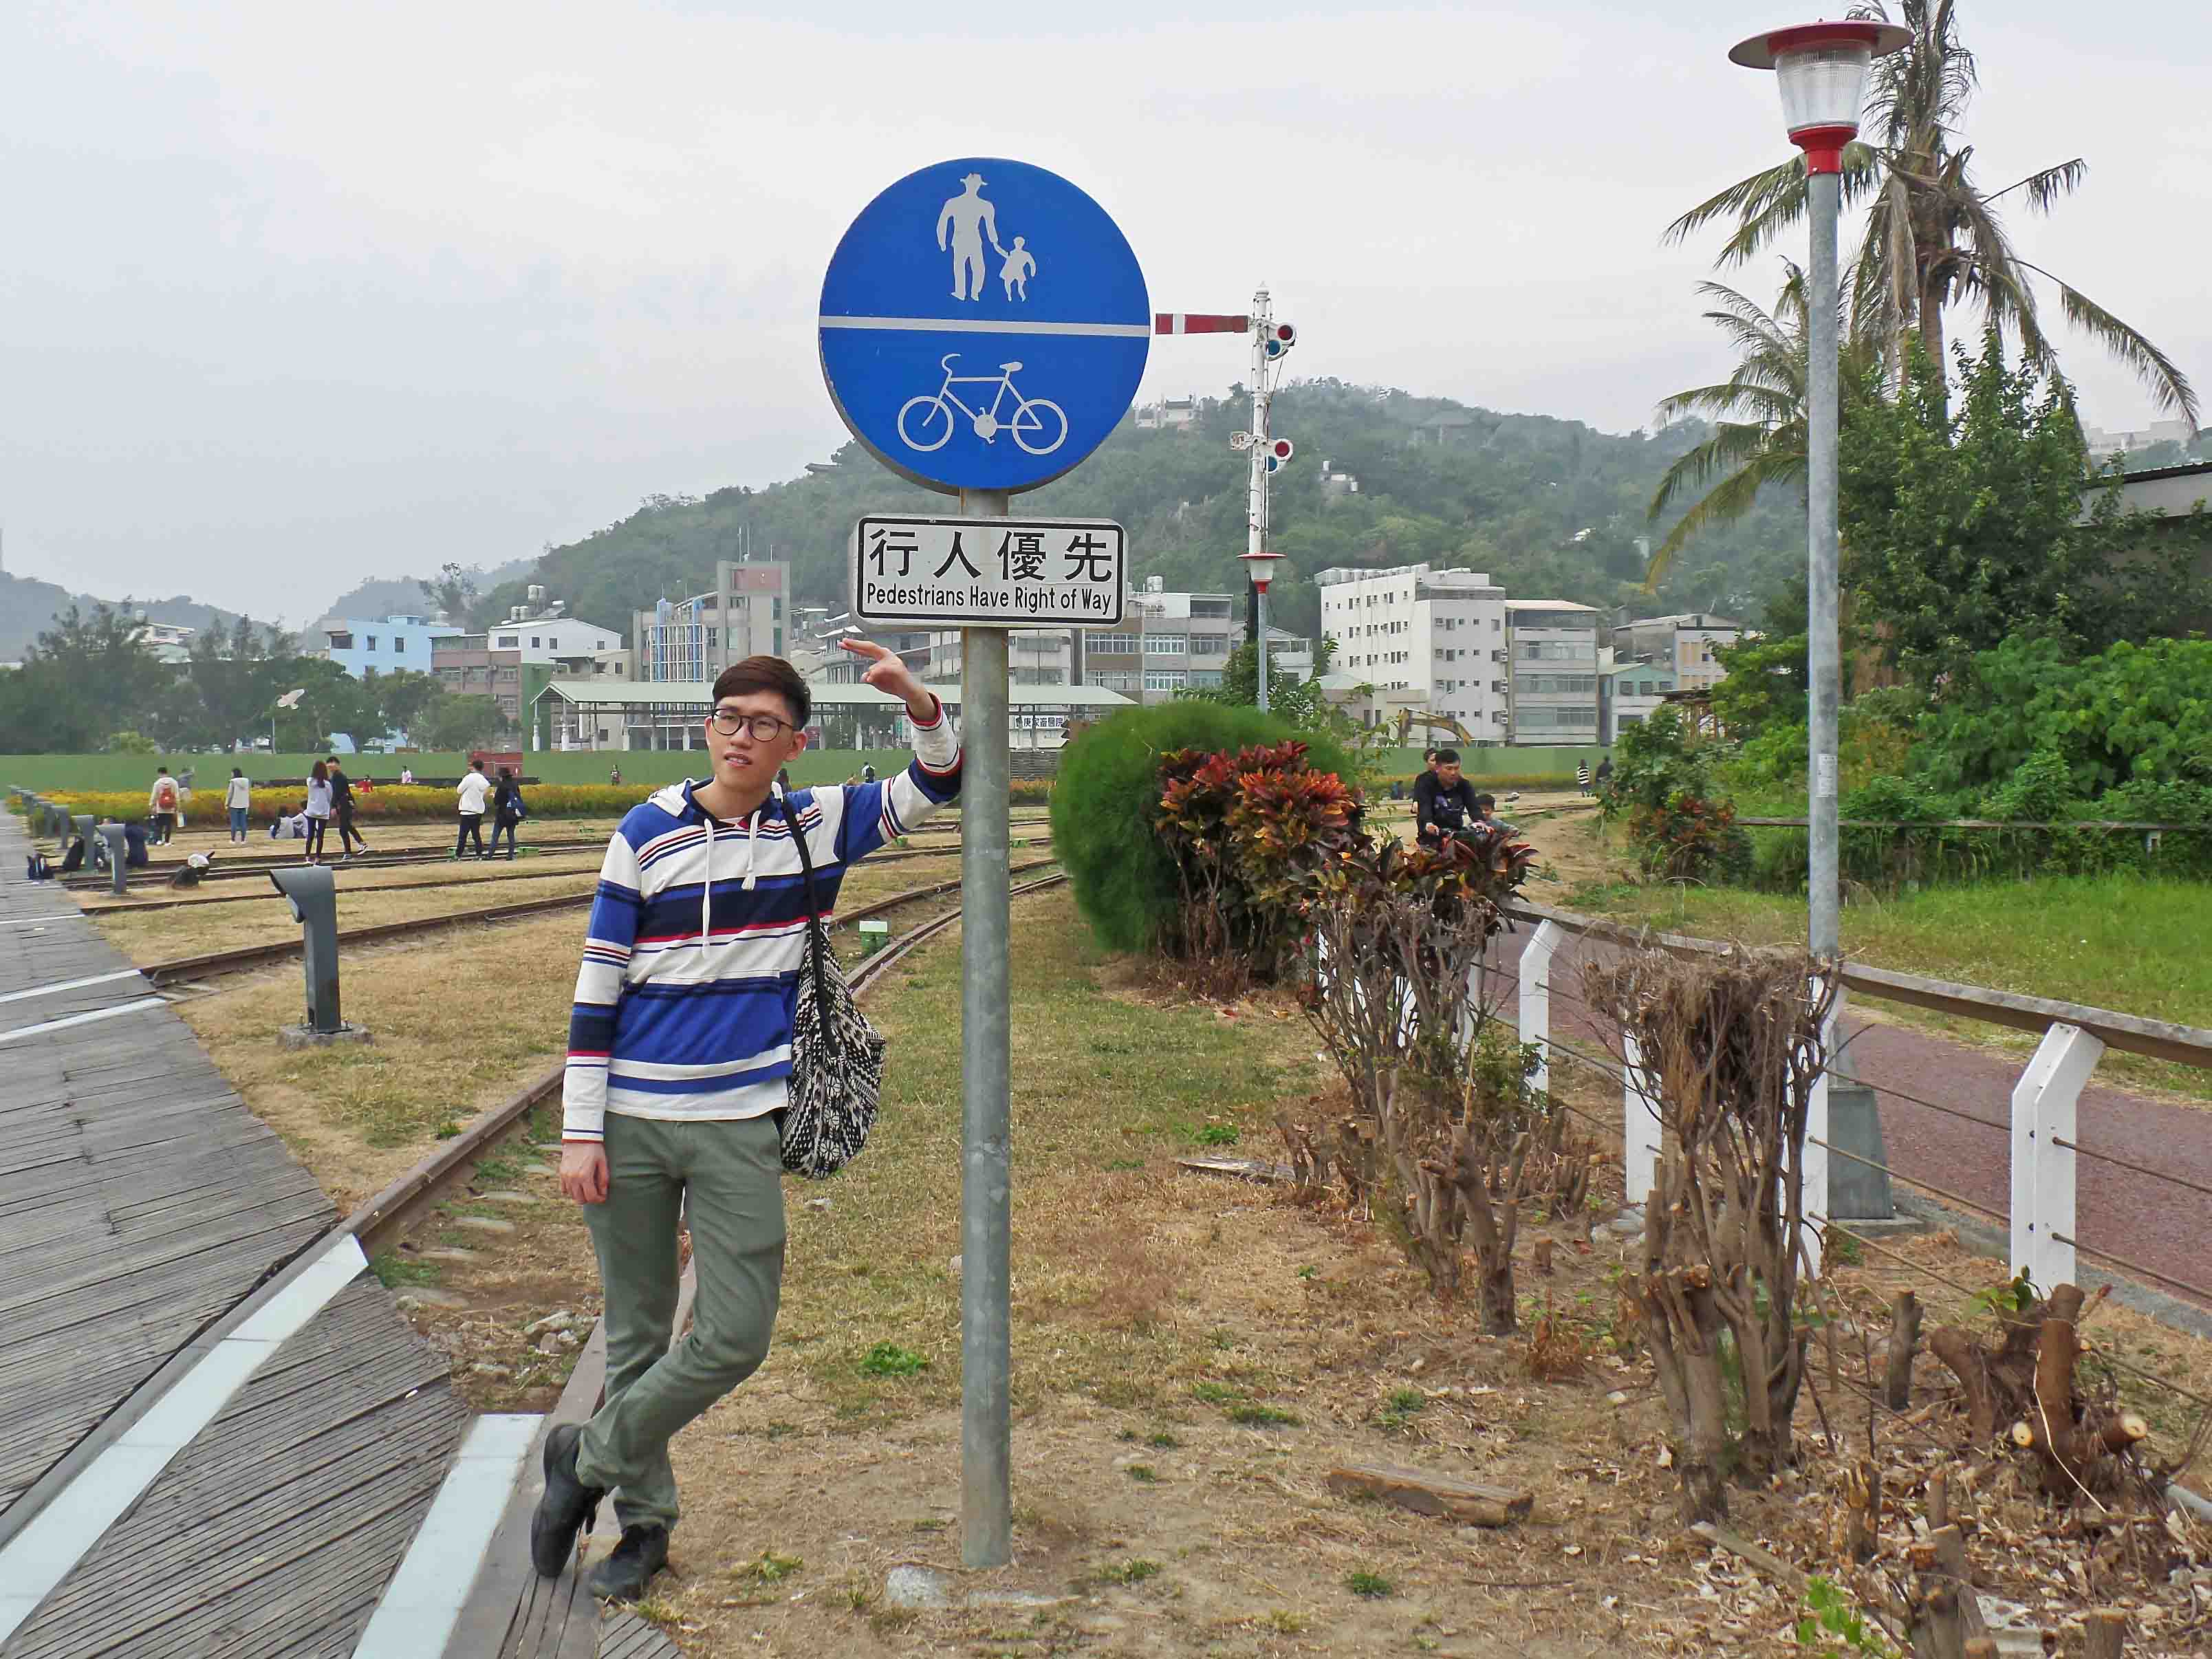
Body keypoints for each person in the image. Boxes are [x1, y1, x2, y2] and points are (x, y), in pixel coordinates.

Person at [533, 644, 961, 1605]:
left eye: (764, 724)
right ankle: (645, 1530)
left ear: (794, 743)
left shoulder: (816, 825)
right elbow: (597, 991)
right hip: (634, 1121)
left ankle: (585, 1459)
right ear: (708, 727)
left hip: (740, 1122)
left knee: (736, 1334)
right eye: (729, 717)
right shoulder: (646, 834)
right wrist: (581, 1131)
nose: (742, 735)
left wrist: (913, 697)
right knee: (638, 1328)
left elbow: (942, 777)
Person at [1413, 748, 1482, 849]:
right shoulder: (1426, 784)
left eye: (1456, 768)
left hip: (1457, 834)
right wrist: (1428, 823)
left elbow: (1474, 807)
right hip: (1431, 836)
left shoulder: (1465, 785)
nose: (1453, 773)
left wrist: (1479, 821)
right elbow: (1424, 807)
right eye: (1449, 769)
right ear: (1437, 768)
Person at [328, 756, 368, 860]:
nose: (330, 766)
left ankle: (348, 853)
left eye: (332, 763)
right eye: (329, 764)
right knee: (347, 826)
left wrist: (333, 806)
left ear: (337, 765)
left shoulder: (338, 776)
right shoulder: (336, 776)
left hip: (344, 804)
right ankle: (360, 844)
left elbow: (337, 793)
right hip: (344, 804)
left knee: (343, 829)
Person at [455, 759, 491, 858]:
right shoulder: (483, 780)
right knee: (476, 835)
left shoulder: (469, 778)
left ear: (473, 767)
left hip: (466, 811)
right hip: (478, 811)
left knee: (463, 835)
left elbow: (459, 790)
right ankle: (479, 854)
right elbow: (486, 790)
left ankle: (458, 855)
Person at [488, 767, 524, 860]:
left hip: (502, 814)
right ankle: (510, 855)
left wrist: (494, 796)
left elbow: (497, 801)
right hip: (513, 814)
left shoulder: (501, 786)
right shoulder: (515, 784)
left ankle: (490, 855)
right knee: (511, 835)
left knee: (495, 836)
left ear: (501, 776)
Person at [303, 761, 332, 864]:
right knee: (320, 836)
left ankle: (307, 857)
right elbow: (330, 798)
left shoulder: (310, 781)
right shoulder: (328, 784)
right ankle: (318, 858)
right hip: (323, 812)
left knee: (310, 835)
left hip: (311, 811)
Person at [149, 766, 180, 845]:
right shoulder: (174, 782)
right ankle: (167, 841)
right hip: (171, 807)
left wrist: (151, 805)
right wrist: (178, 805)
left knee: (159, 824)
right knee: (168, 824)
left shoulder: (157, 783)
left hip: (160, 807)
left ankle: (159, 840)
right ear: (167, 772)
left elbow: (154, 795)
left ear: (159, 773)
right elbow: (177, 795)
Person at [224, 768, 252, 843]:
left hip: (234, 805)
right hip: (244, 805)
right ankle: (243, 840)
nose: (231, 775)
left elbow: (230, 794)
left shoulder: (233, 782)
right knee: (243, 823)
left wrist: (227, 803)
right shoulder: (247, 781)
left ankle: (233, 840)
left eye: (232, 773)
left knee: (234, 823)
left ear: (234, 773)